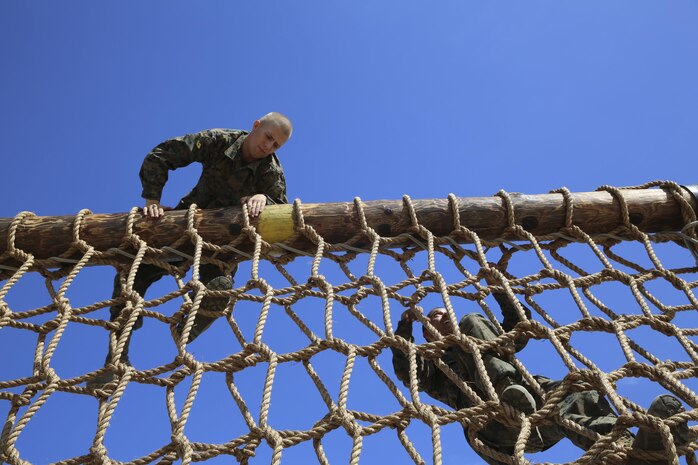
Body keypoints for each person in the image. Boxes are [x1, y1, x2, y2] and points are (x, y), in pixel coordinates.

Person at [88, 112, 293, 388]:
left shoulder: (271, 172)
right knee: (131, 274)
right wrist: (153, 199)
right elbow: (162, 154)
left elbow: (282, 210)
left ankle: (182, 329)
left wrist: (264, 199)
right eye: (268, 137)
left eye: (276, 145)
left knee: (220, 289)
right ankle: (116, 358)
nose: (269, 147)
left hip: (223, 243)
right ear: (256, 126)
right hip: (184, 226)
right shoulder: (220, 141)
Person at [391, 291, 690, 464]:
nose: (439, 319)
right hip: (494, 429)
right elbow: (408, 370)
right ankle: (504, 391)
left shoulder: (483, 332)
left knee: (580, 393)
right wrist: (404, 330)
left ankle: (631, 453)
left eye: (443, 313)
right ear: (428, 334)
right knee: (473, 324)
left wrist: (500, 291)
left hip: (537, 407)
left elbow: (518, 327)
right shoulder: (436, 365)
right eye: (433, 319)